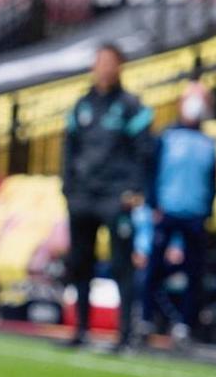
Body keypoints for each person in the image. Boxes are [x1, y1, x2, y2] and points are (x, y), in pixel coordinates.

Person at [60, 43, 152, 352]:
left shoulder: (131, 106)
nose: (104, 68)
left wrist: (134, 190)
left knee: (121, 266)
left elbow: (144, 153)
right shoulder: (81, 106)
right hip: (83, 196)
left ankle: (124, 334)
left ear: (120, 66)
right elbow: (69, 149)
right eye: (99, 62)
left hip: (115, 197)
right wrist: (69, 189)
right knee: (79, 264)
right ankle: (80, 330)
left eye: (109, 62)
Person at [139, 82, 216, 347]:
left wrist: (206, 211)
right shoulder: (167, 138)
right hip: (168, 211)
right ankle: (147, 317)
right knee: (154, 268)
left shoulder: (208, 143)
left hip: (195, 215)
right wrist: (154, 206)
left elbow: (213, 181)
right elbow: (152, 173)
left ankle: (185, 323)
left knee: (193, 273)